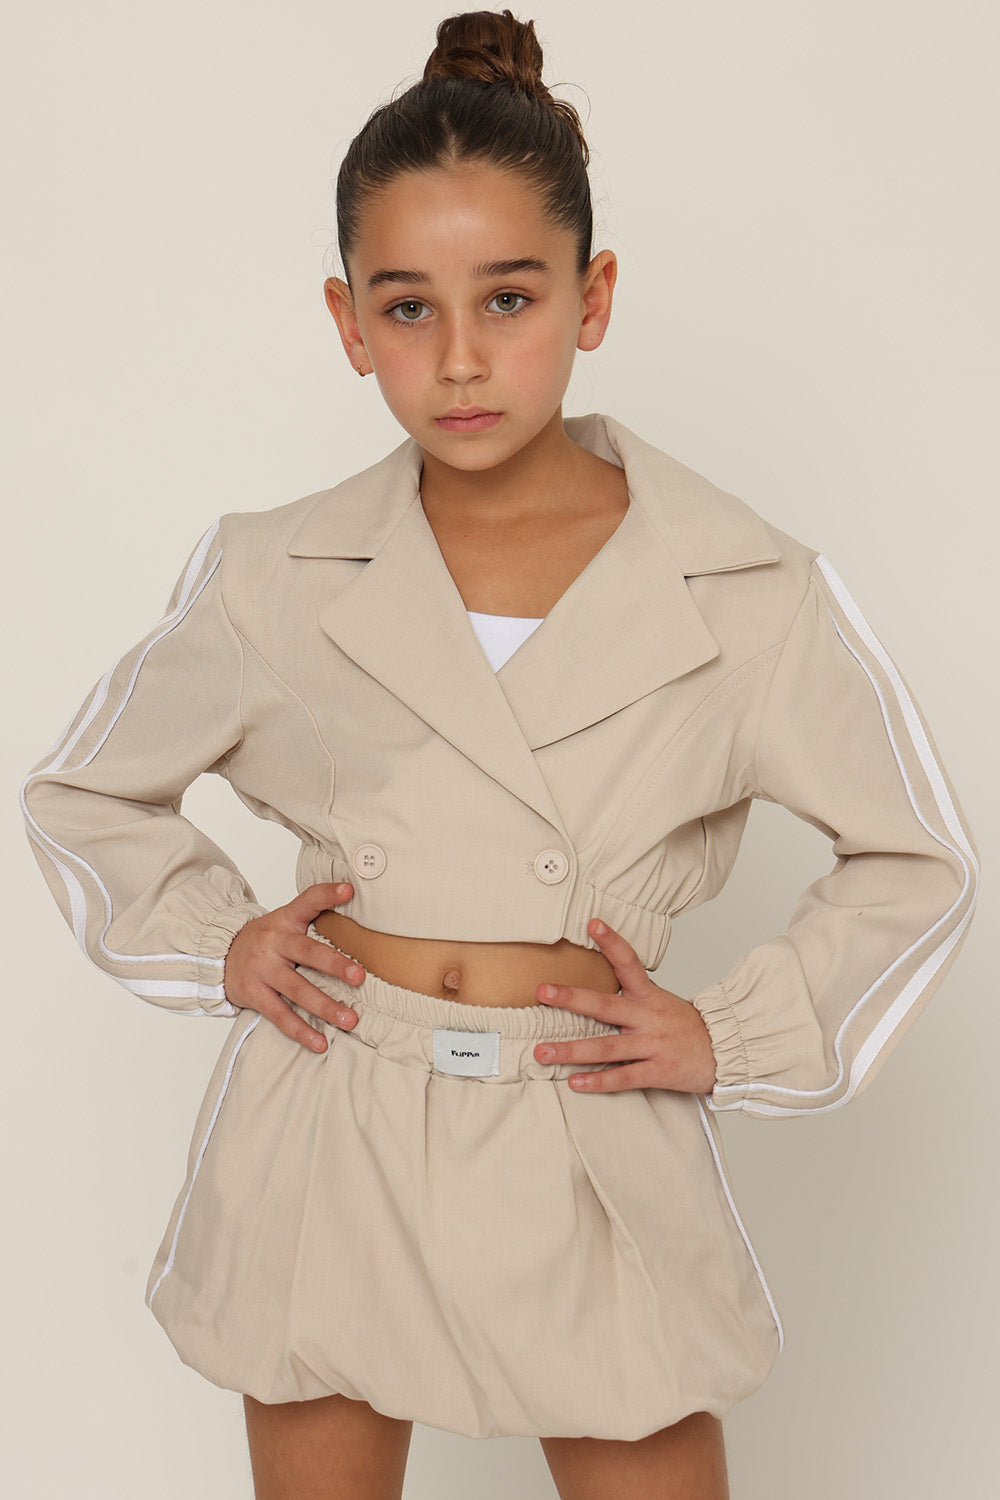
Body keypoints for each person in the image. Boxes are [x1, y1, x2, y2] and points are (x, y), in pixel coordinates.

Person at [20, 9, 977, 1499]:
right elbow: (85, 787)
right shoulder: (277, 570)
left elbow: (916, 856)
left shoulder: (744, 585)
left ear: (594, 298)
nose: (461, 359)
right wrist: (218, 942)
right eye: (408, 308)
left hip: (587, 1115)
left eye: (510, 297)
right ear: (347, 323)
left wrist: (736, 1035)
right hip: (331, 1111)